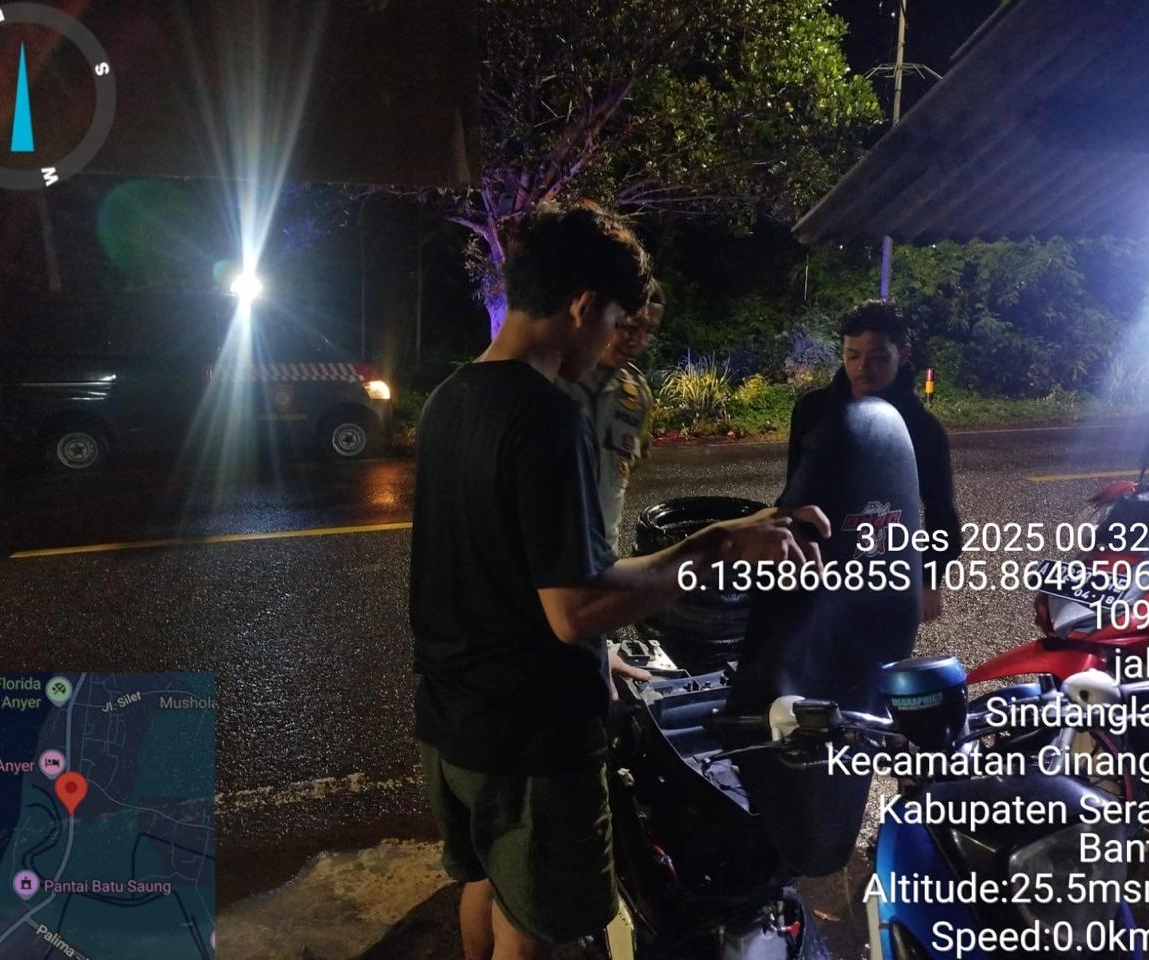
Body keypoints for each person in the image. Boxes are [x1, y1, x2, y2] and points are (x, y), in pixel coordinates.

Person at [410, 202, 829, 960]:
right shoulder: (547, 416)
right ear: (581, 305)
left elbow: (500, 572)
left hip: (452, 723)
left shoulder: (450, 400)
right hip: (533, 741)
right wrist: (720, 543)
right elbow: (577, 607)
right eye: (613, 319)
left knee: (486, 883)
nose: (613, 338)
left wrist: (601, 651)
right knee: (537, 929)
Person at [785, 299, 961, 621]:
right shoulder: (813, 410)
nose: (862, 368)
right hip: (814, 567)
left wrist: (930, 579)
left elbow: (940, 512)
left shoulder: (924, 429)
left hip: (886, 573)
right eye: (852, 356)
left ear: (902, 354)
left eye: (879, 358)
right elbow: (793, 493)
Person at [559, 279, 663, 553]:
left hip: (604, 559)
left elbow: (629, 469)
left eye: (649, 331)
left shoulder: (637, 397)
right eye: (629, 327)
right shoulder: (551, 382)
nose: (638, 341)